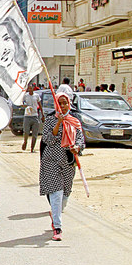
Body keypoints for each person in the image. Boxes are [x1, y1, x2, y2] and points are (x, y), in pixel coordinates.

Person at [40, 92, 85, 241]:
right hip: (51, 160)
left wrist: (77, 148)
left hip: (68, 161)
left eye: (65, 102)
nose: (63, 106)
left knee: (65, 193)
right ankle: (57, 227)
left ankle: (56, 212)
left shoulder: (75, 121)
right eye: (60, 103)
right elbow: (47, 139)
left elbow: (81, 140)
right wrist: (59, 123)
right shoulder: (50, 120)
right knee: (56, 193)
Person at [21, 85, 45, 153]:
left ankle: (32, 148)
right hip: (27, 116)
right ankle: (25, 142)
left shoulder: (36, 96)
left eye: (31, 88)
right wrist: (24, 105)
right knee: (26, 132)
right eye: (28, 88)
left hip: (35, 116)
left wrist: (42, 115)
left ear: (33, 89)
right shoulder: (25, 96)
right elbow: (22, 103)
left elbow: (40, 105)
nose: (30, 89)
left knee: (35, 134)